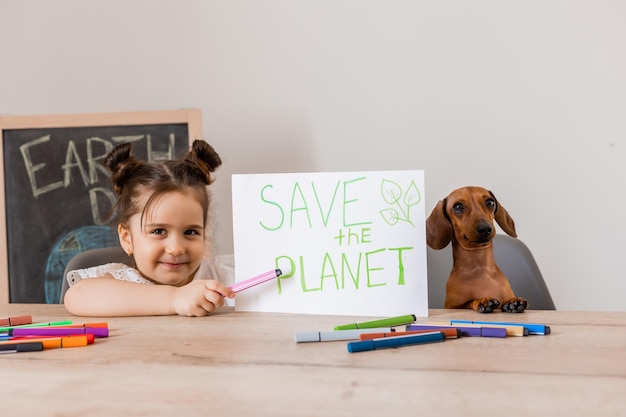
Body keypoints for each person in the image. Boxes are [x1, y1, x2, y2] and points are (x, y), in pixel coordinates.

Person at [64, 140, 235, 317]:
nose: (176, 248)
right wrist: (174, 299)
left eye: (191, 232)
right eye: (159, 231)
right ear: (127, 239)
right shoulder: (120, 279)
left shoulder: (223, 277)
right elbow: (78, 295)